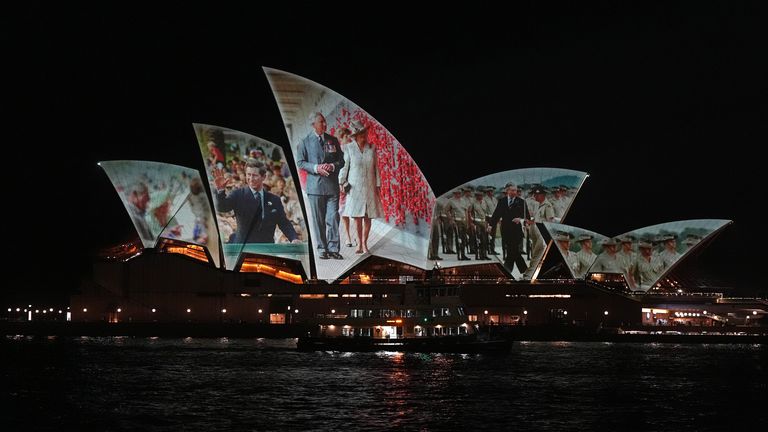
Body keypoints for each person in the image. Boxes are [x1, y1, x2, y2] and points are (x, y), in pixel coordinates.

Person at [212, 160, 299, 244]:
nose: (251, 179)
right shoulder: (238, 194)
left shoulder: (274, 199)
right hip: (242, 249)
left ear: (263, 177)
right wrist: (220, 190)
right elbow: (222, 207)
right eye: (248, 175)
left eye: (255, 175)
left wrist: (294, 238)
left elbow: (283, 222)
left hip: (266, 250)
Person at [297, 112, 345, 260]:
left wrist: (331, 165)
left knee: (333, 218)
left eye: (325, 121)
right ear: (313, 125)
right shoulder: (304, 142)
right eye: (321, 122)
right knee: (318, 221)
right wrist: (316, 167)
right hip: (315, 188)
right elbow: (300, 162)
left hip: (332, 187)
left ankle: (333, 249)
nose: (325, 124)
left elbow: (341, 161)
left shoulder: (333, 140)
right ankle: (322, 249)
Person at [338, 120, 383, 254]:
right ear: (356, 135)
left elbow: (376, 169)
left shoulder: (372, 148)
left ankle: (364, 243)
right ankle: (358, 244)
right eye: (361, 133)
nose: (364, 135)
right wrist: (341, 181)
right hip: (355, 187)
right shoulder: (349, 148)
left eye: (365, 132)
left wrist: (378, 186)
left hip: (369, 187)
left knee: (368, 217)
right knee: (357, 217)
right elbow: (345, 167)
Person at [489, 182, 531, 276]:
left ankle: (506, 272)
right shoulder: (502, 201)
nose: (514, 192)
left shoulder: (521, 202)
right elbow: (496, 215)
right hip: (506, 231)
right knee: (513, 251)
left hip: (517, 231)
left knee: (512, 250)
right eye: (512, 190)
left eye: (515, 190)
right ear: (507, 191)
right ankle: (524, 271)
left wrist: (520, 219)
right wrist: (490, 225)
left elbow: (527, 216)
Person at [523, 185, 555, 279]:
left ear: (543, 195)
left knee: (537, 255)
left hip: (542, 234)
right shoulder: (537, 205)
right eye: (535, 194)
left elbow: (550, 221)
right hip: (535, 232)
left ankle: (528, 276)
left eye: (538, 194)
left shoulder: (547, 205)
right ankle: (534, 274)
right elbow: (536, 219)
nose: (535, 196)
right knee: (535, 254)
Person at [335, 127, 356, 249]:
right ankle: (348, 236)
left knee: (356, 211)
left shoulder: (353, 150)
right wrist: (340, 183)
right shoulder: (339, 152)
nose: (350, 139)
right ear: (342, 137)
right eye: (347, 136)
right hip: (342, 185)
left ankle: (355, 236)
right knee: (344, 212)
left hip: (354, 184)